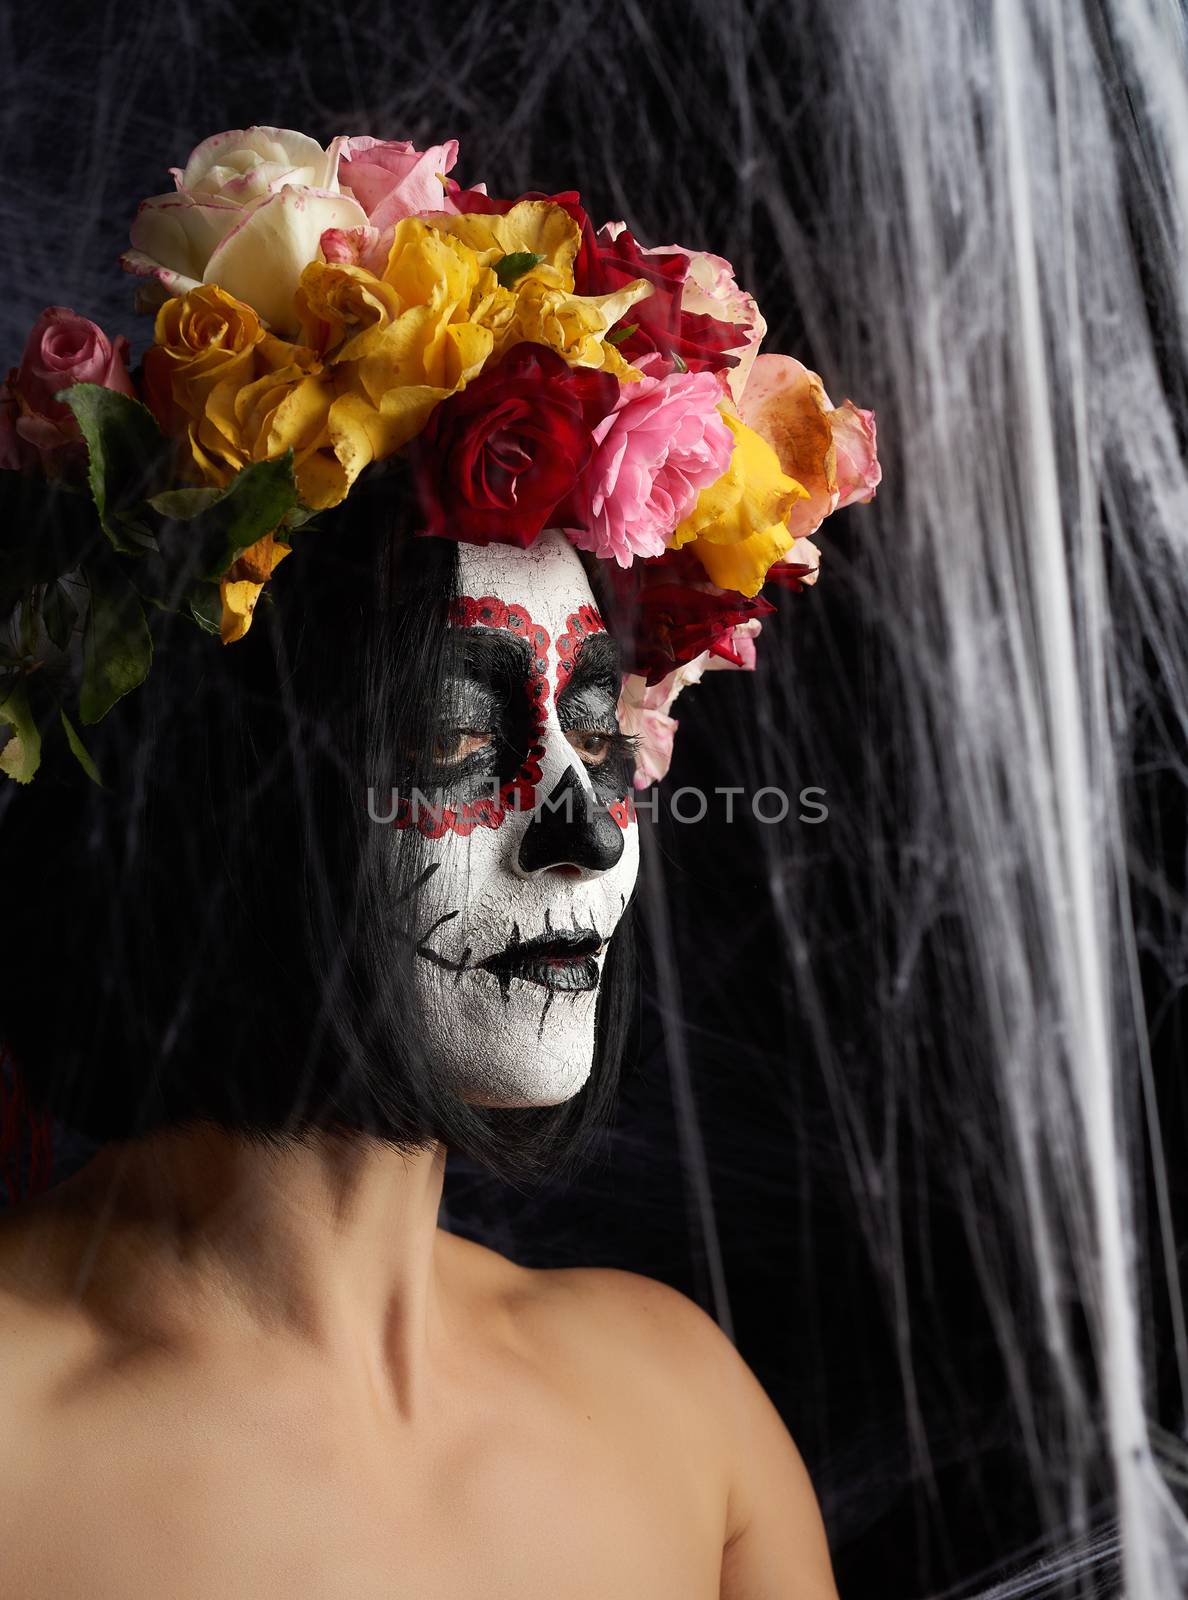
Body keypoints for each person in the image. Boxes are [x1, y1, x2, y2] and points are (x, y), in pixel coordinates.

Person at [0, 124, 878, 1597]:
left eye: (598, 726)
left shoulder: (685, 1418)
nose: (590, 822)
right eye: (457, 743)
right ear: (240, 801)